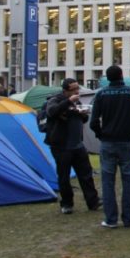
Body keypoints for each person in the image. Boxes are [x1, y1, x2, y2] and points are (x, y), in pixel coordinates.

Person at [90, 65, 130, 228]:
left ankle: (111, 219)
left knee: (107, 181)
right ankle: (128, 218)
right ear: (122, 75)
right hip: (127, 141)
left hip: (108, 142)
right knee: (128, 181)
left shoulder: (101, 94)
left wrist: (101, 134)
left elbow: (93, 122)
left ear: (108, 77)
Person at [45, 78, 100, 214]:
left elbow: (84, 118)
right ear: (65, 91)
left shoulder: (77, 101)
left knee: (86, 174)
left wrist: (82, 113)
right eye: (73, 89)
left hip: (78, 145)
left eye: (77, 88)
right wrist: (69, 102)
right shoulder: (55, 100)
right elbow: (52, 112)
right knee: (64, 176)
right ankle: (67, 203)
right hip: (61, 146)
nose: (77, 91)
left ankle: (93, 201)